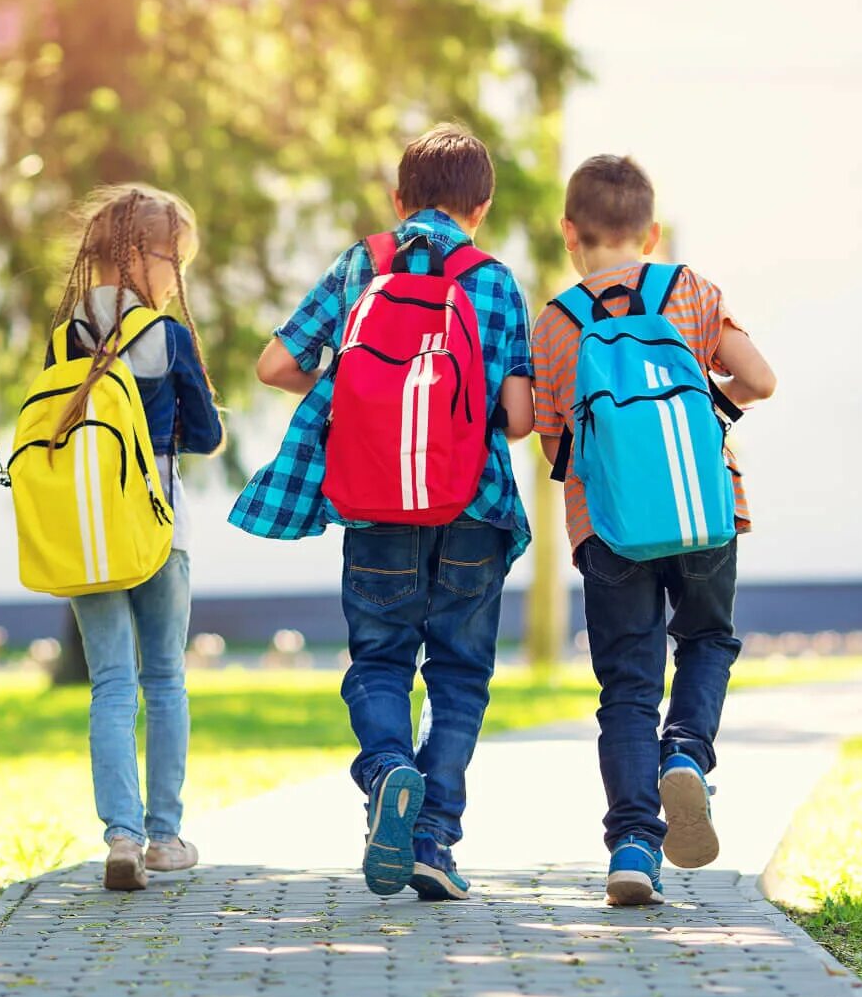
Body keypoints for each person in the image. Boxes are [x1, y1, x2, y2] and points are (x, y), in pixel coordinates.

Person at [237, 123, 534, 901]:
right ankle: (434, 835)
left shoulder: (358, 264)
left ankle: (386, 771)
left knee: (379, 661)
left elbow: (275, 365)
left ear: (398, 199)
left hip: (375, 504)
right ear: (484, 206)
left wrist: (361, 399)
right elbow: (523, 414)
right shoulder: (495, 280)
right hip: (474, 504)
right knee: (460, 674)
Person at [531, 154, 777, 906]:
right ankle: (689, 755)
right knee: (706, 641)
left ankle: (634, 845)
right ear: (653, 230)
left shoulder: (557, 323)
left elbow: (551, 442)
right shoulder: (691, 291)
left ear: (570, 232)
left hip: (609, 526)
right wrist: (712, 407)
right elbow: (760, 379)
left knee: (628, 685)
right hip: (705, 511)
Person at [51, 185, 224, 892]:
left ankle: (119, 836)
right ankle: (165, 836)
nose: (176, 273)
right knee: (165, 677)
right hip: (156, 525)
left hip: (87, 530)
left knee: (111, 683)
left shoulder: (67, 336)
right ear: (142, 257)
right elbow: (207, 435)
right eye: (173, 259)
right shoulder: (167, 335)